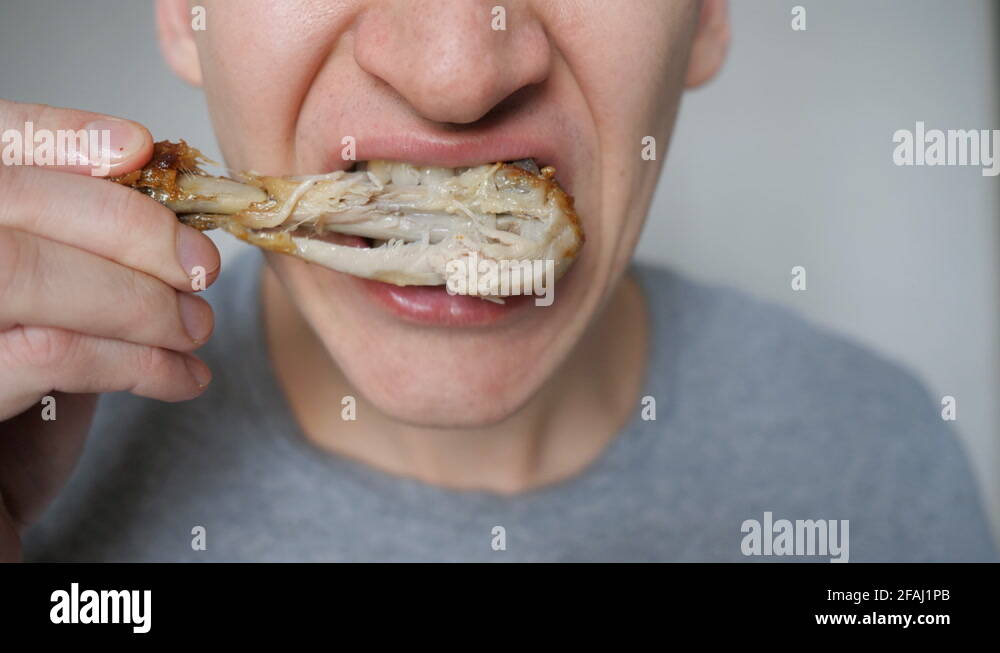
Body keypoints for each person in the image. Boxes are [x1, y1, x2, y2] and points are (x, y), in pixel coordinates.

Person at [1, 0, 994, 562]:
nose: (455, 72)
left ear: (704, 17)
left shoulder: (881, 466)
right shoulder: (36, 459)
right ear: (186, 13)